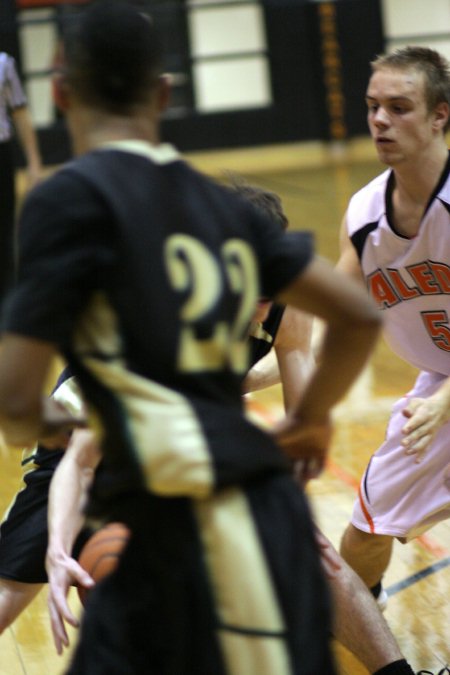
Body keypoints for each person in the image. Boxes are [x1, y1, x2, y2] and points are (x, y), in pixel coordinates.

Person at [0, 2, 381, 674]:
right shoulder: (221, 217)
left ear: (60, 93)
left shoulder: (71, 206)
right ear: (165, 93)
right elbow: (357, 317)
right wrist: (309, 426)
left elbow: (17, 403)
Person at [336, 46, 450, 616]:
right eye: (373, 106)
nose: (381, 120)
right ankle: (367, 636)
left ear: (440, 116)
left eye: (399, 107)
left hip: (443, 398)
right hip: (437, 394)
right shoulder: (363, 216)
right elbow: (334, 320)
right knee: (364, 530)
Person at [0, 51, 42, 302]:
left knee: (3, 231)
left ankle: (6, 303)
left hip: (1, 155)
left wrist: (34, 162)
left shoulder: (4, 64)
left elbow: (21, 114)